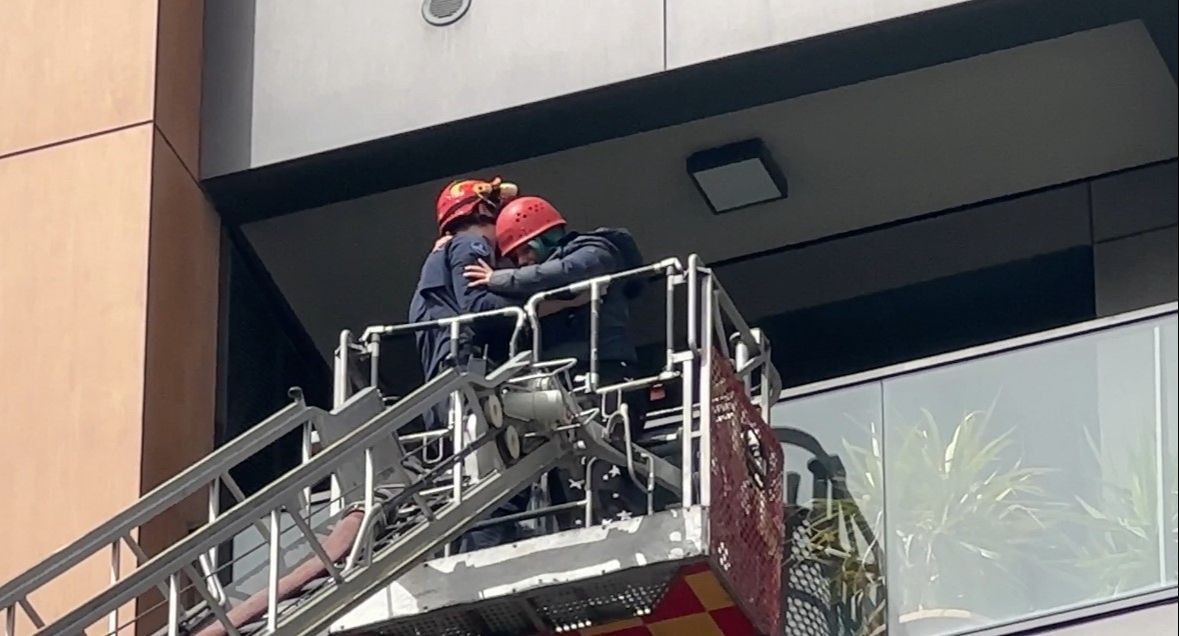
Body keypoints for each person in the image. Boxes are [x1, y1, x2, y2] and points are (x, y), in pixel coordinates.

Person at [464, 195, 650, 523]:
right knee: (566, 477)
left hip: (606, 375)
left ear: (544, 236)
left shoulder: (596, 249)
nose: (521, 262)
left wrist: (498, 279)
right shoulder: (536, 282)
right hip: (562, 383)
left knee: (608, 465)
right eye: (515, 257)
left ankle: (627, 522)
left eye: (524, 250)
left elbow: (565, 273)